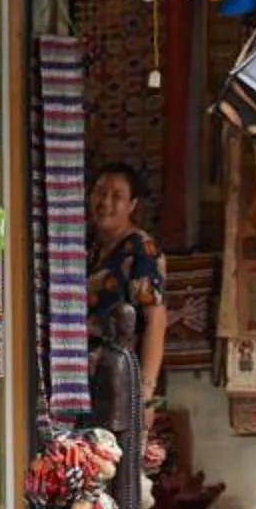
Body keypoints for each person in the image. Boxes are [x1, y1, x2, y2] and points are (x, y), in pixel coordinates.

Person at [87, 161, 166, 402]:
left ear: (132, 205)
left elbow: (155, 320)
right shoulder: (89, 245)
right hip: (89, 377)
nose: (105, 203)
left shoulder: (140, 250)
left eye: (117, 196)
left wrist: (146, 392)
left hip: (124, 380)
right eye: (100, 193)